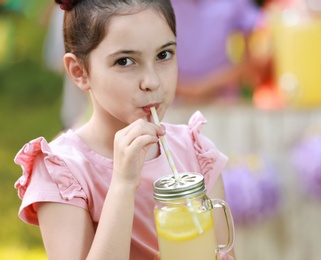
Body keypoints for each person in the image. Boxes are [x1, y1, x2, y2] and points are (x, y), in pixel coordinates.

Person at [13, 0, 234, 259]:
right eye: (125, 61)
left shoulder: (196, 152)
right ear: (79, 71)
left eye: (164, 55)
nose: (152, 81)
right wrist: (123, 185)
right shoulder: (64, 171)